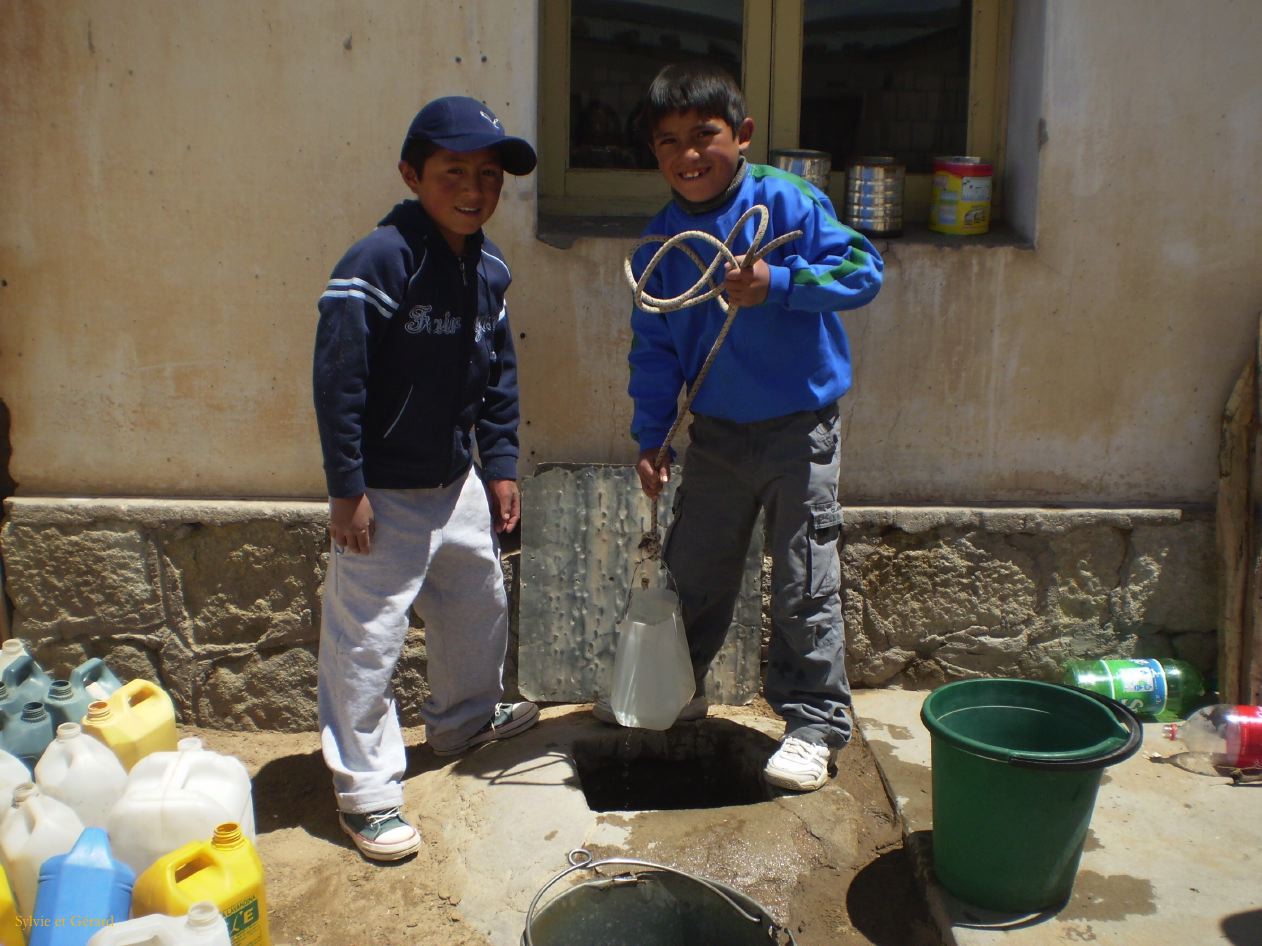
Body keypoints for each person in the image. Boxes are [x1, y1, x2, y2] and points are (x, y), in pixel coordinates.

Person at [617, 62, 884, 792]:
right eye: (669, 141)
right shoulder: (660, 245)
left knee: (803, 580)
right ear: (654, 153)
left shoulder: (787, 201)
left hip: (801, 433)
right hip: (716, 438)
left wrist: (780, 284)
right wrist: (651, 437)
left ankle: (813, 724)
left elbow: (865, 271)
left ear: (742, 134)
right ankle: (677, 691)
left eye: (704, 135)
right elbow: (653, 350)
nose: (688, 154)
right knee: (695, 573)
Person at [313, 96, 540, 860]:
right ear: (413, 175)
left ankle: (462, 723)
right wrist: (347, 488)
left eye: (489, 175)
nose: (474, 189)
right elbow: (339, 379)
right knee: (367, 644)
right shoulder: (378, 262)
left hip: (455, 483)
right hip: (381, 493)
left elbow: (499, 376)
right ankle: (367, 795)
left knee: (478, 605)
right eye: (454, 173)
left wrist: (499, 467)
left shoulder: (490, 270)